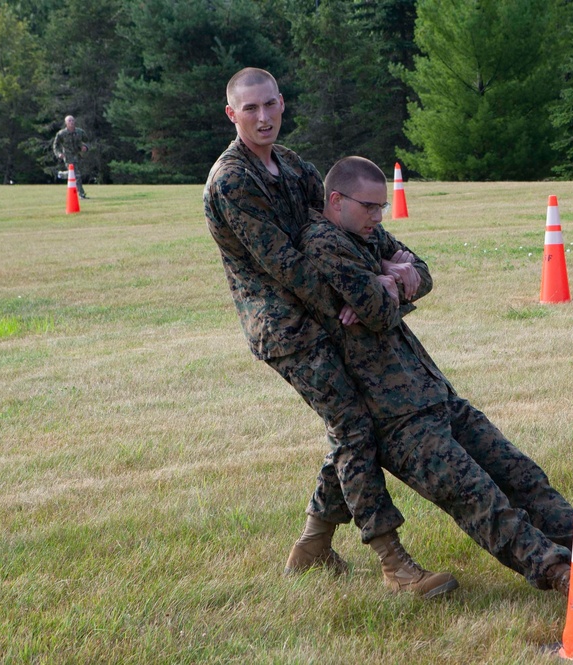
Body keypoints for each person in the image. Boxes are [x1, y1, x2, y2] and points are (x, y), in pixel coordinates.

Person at [298, 156, 573, 595]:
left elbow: (422, 271)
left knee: (521, 475)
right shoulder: (323, 243)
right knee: (478, 497)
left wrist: (390, 280)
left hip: (430, 391)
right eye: (369, 207)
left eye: (382, 208)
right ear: (336, 201)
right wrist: (391, 280)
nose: (378, 217)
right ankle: (563, 574)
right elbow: (375, 313)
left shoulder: (363, 234)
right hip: (393, 415)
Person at [203, 67, 457, 599]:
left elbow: (349, 226)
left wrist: (395, 265)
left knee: (351, 425)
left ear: (282, 103)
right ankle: (393, 562)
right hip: (287, 328)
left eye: (270, 104)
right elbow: (285, 265)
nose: (263, 116)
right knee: (353, 425)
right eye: (250, 109)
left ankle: (313, 544)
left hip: (326, 313)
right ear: (232, 115)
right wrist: (361, 297)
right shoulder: (231, 180)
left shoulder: (294, 166)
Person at [53, 115, 89, 199]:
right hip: (68, 156)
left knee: (74, 174)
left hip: (78, 156)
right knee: (77, 175)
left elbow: (87, 141)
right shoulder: (61, 134)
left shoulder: (80, 132)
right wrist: (59, 154)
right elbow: (55, 145)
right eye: (69, 121)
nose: (71, 122)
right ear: (66, 123)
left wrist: (85, 147)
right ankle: (81, 194)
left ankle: (62, 174)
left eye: (72, 120)